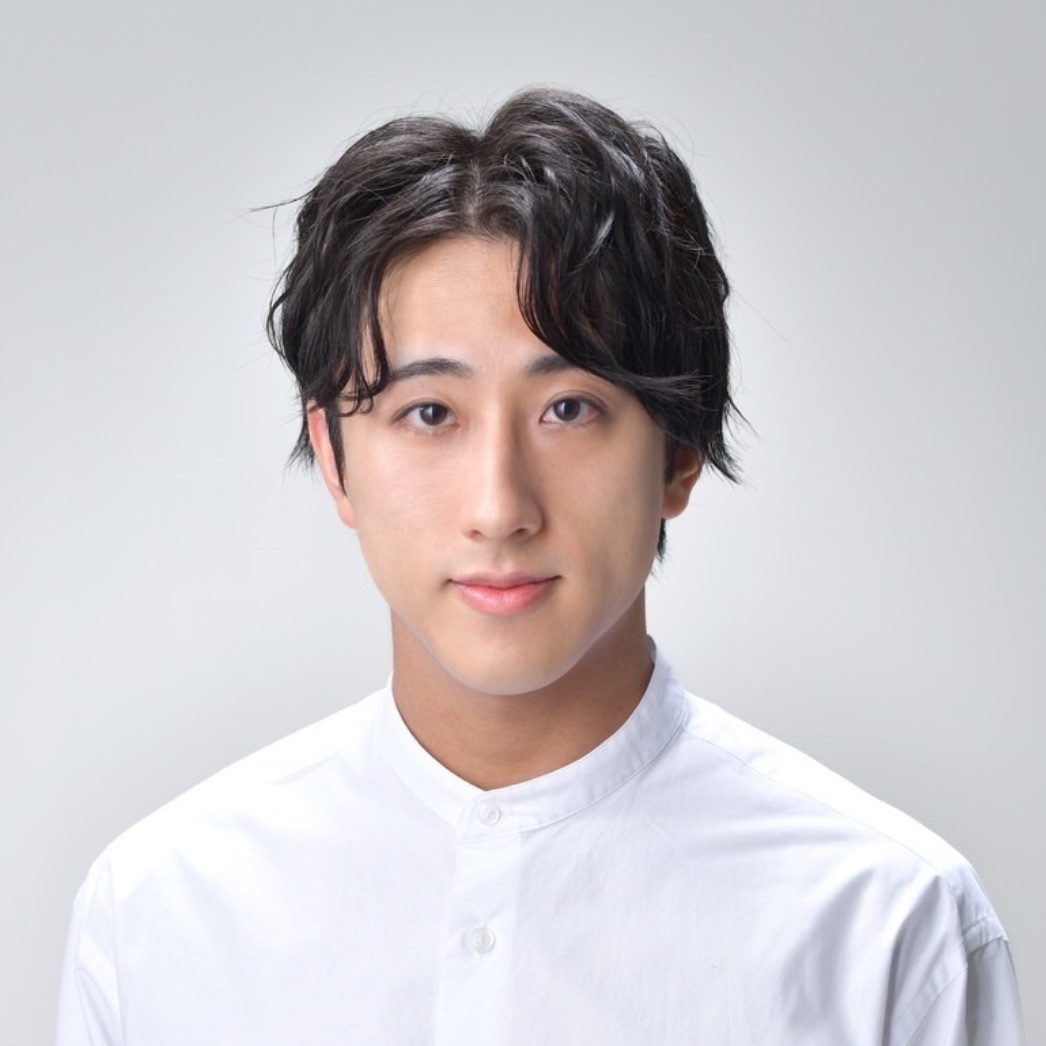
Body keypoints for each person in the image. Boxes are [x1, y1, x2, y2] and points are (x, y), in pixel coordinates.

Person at [56, 87, 1024, 1044]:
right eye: (429, 413)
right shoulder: (158, 914)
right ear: (335, 459)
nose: (499, 507)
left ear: (678, 451)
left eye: (568, 408)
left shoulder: (886, 926)